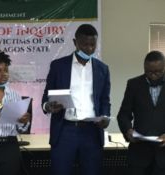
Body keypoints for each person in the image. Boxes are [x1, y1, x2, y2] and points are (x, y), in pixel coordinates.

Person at [41, 24, 111, 175]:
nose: (89, 49)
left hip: (92, 132)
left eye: (93, 45)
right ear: (75, 42)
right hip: (65, 130)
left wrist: (105, 116)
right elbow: (46, 97)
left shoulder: (102, 69)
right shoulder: (58, 66)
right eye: (84, 44)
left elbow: (105, 100)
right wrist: (48, 106)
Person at [117, 51, 165, 175]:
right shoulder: (134, 84)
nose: (153, 75)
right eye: (149, 71)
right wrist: (128, 131)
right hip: (139, 155)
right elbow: (124, 114)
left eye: (158, 71)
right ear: (144, 67)